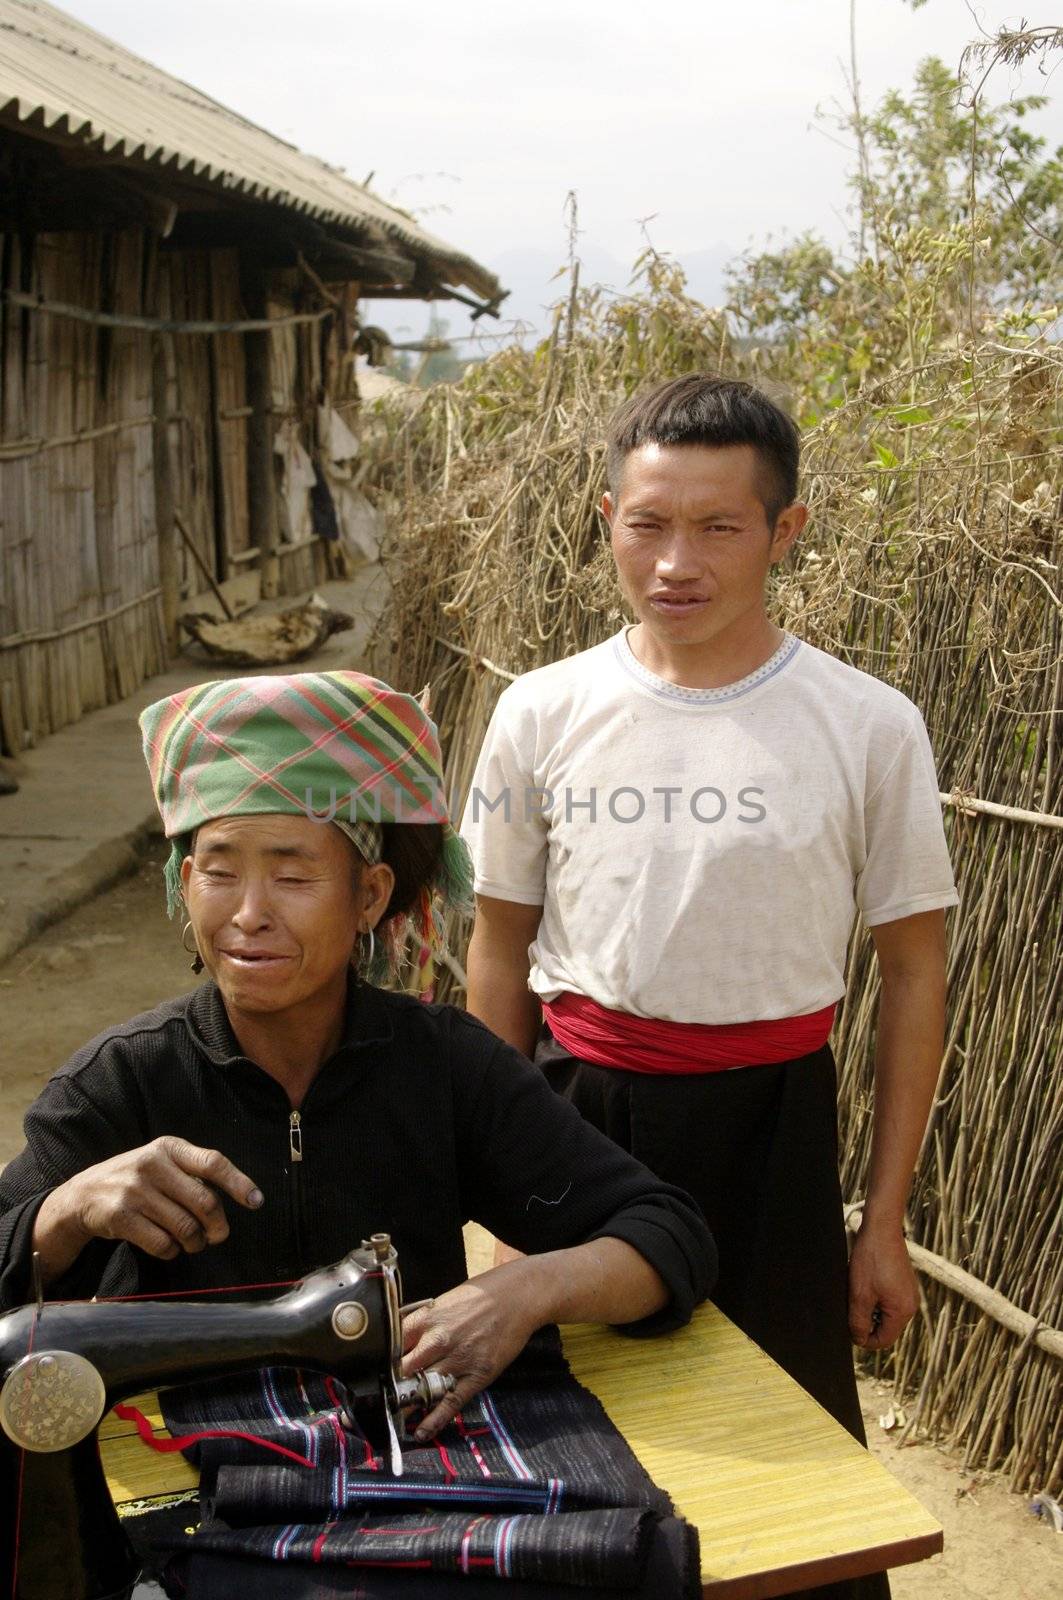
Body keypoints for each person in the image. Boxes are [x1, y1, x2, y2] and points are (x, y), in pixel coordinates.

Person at [461, 376, 957, 1597]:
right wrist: (483, 1190)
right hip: (575, 1128)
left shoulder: (866, 726)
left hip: (776, 1132)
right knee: (575, 1452)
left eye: (718, 526)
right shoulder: (542, 712)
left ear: (783, 532)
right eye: (646, 523)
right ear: (607, 518)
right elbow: (497, 948)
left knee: (788, 1476)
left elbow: (911, 971)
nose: (674, 561)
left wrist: (879, 1221)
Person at [0, 669, 716, 1444]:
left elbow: (667, 1235)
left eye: (292, 874)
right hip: (178, 1471)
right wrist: (65, 1212)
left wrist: (525, 1289)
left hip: (408, 1455)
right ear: (184, 882)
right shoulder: (123, 1081)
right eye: (217, 871)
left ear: (369, 897)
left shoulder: (443, 1068)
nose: (248, 915)